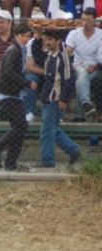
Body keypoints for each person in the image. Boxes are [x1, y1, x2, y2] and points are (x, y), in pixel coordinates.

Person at [0, 22, 33, 171]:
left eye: (28, 36)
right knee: (21, 126)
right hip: (9, 93)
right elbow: (8, 72)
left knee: (18, 128)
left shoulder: (20, 50)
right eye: (23, 36)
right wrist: (26, 83)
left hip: (14, 93)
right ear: (16, 36)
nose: (25, 39)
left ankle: (11, 163)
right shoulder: (14, 50)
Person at [38, 30, 81, 167]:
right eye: (46, 39)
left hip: (55, 99)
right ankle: (74, 151)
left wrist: (64, 99)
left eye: (50, 39)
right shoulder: (50, 55)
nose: (47, 42)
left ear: (58, 41)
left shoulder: (63, 58)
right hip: (48, 97)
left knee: (47, 131)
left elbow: (69, 80)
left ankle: (48, 161)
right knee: (53, 130)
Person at [64, 7, 102, 121]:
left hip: (95, 67)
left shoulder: (101, 35)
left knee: (82, 79)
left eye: (88, 20)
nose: (85, 23)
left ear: (95, 21)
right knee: (82, 74)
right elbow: (68, 52)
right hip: (77, 66)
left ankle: (80, 115)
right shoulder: (74, 33)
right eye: (83, 19)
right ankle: (86, 102)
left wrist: (95, 66)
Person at [22, 30, 46, 123]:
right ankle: (29, 112)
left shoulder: (54, 42)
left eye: (40, 32)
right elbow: (30, 67)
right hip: (38, 73)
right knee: (30, 79)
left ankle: (56, 114)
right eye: (35, 32)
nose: (37, 34)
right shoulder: (32, 43)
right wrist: (46, 71)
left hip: (53, 73)